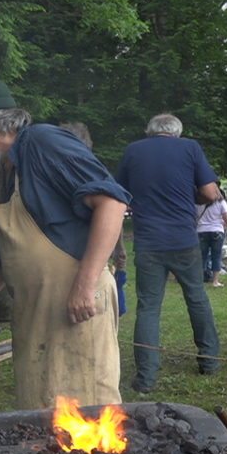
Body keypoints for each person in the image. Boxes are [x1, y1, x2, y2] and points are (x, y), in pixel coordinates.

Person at [0, 77, 130, 409]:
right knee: (39, 413)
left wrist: (84, 286)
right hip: (34, 315)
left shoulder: (43, 143)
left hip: (76, 307)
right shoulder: (4, 171)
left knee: (88, 414)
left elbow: (112, 203)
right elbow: (4, 259)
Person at [116, 113, 222, 393]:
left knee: (148, 307)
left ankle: (146, 377)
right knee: (196, 298)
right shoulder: (190, 148)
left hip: (148, 241)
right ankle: (209, 361)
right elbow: (211, 193)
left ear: (149, 131)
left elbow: (119, 194)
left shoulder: (133, 151)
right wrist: (189, 196)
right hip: (183, 239)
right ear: (177, 132)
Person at [60, 120, 128, 316]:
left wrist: (118, 255)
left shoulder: (91, 175)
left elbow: (112, 211)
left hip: (88, 264)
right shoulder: (93, 172)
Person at [195, 184, 227, 287]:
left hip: (201, 230)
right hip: (217, 230)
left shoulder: (198, 202)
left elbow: (194, 216)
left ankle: (200, 279)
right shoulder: (221, 202)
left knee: (202, 256)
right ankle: (215, 281)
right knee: (216, 256)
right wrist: (225, 223)